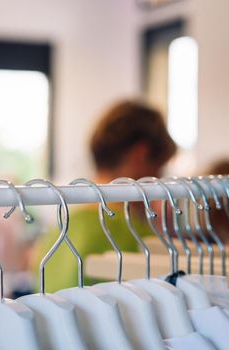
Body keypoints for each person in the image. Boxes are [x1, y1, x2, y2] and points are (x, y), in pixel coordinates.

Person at [31, 100, 177, 292]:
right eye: (159, 168)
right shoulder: (133, 233)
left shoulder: (59, 227)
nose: (158, 180)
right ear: (140, 156)